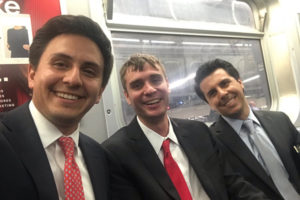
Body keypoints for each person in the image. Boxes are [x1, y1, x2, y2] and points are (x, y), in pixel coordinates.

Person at [102, 53, 268, 200]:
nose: (150, 90)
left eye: (155, 80)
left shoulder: (199, 132)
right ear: (127, 96)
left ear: (167, 85)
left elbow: (234, 185)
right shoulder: (115, 153)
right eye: (137, 85)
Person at [0, 15, 113, 200]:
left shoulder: (101, 157)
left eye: (88, 71)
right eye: (60, 64)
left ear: (100, 92)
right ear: (32, 74)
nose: (73, 79)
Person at [194, 58, 300, 200]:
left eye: (225, 84)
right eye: (213, 93)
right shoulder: (212, 143)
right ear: (210, 104)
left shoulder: (279, 120)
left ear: (240, 83)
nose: (222, 93)